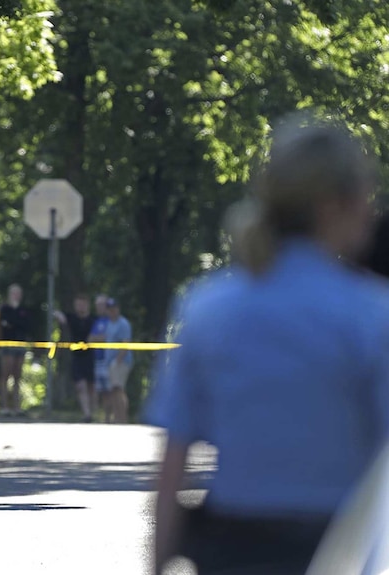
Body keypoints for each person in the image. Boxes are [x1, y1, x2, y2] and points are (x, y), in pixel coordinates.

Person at [146, 122, 389, 575]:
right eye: (366, 195)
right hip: (338, 551)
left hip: (230, 551)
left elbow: (172, 466)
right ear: (334, 204)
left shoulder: (207, 305)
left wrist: (159, 565)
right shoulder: (371, 316)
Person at [53, 293, 97, 422]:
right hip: (77, 357)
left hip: (92, 356)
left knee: (92, 386)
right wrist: (57, 315)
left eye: (82, 304)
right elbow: (58, 315)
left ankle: (94, 412)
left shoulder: (93, 320)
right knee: (80, 386)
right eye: (78, 304)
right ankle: (87, 414)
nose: (80, 307)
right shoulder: (71, 318)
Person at [0, 283, 31, 415]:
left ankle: (17, 406)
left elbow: (26, 325)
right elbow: (5, 324)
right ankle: (4, 406)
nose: (17, 296)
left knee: (18, 376)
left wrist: (14, 323)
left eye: (19, 293)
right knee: (5, 375)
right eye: (14, 293)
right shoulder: (4, 309)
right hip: (7, 345)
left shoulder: (23, 309)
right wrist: (14, 323)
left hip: (20, 345)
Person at [102, 298, 132, 424]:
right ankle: (116, 416)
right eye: (110, 309)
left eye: (114, 308)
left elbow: (125, 343)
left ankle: (122, 417)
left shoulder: (123, 323)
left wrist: (118, 360)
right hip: (110, 362)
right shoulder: (109, 323)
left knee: (118, 388)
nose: (112, 311)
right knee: (113, 390)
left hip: (121, 362)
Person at [88, 294, 110, 421]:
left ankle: (108, 417)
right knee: (97, 389)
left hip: (108, 360)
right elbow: (90, 339)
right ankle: (96, 415)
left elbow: (107, 338)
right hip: (97, 359)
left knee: (108, 390)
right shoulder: (96, 322)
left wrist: (99, 338)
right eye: (97, 305)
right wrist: (99, 338)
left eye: (101, 305)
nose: (98, 307)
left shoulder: (111, 321)